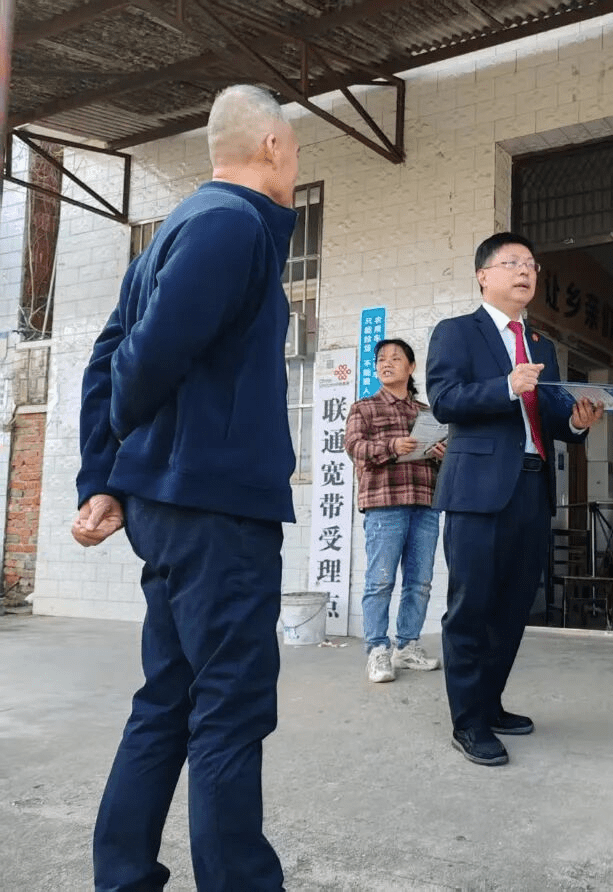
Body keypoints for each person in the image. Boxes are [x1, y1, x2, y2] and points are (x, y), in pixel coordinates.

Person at [72, 84, 300, 891]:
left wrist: (105, 477)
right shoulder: (231, 224)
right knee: (231, 708)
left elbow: (103, 358)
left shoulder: (176, 229)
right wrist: (121, 451)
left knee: (168, 699)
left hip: (175, 506)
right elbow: (135, 364)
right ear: (271, 144)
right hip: (216, 512)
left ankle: (123, 874)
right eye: (294, 150)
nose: (294, 165)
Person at [426, 232, 604, 767]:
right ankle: (468, 722)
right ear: (484, 275)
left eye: (531, 264)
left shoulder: (541, 345)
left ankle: (491, 703)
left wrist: (577, 422)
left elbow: (550, 417)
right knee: (471, 607)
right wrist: (506, 386)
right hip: (477, 491)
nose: (525, 271)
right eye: (512, 262)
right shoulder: (457, 332)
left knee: (512, 608)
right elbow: (444, 400)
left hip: (532, 486)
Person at [345, 338, 446, 683]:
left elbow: (441, 458)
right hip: (384, 504)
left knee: (420, 582)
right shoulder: (364, 408)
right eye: (381, 360)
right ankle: (377, 649)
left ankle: (407, 646)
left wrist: (441, 453)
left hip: (425, 502)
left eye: (395, 358)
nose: (386, 364)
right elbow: (354, 447)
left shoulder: (427, 413)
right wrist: (392, 446)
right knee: (380, 580)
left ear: (411, 367)